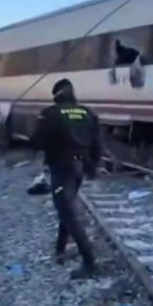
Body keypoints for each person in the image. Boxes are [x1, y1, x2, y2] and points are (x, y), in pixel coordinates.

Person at [28, 78, 103, 279]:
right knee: (67, 207)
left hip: (62, 168)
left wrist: (36, 131)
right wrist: (93, 167)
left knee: (68, 213)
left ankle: (89, 262)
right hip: (80, 168)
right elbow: (97, 143)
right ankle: (60, 249)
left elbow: (36, 142)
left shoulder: (51, 114)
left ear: (57, 96)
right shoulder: (87, 113)